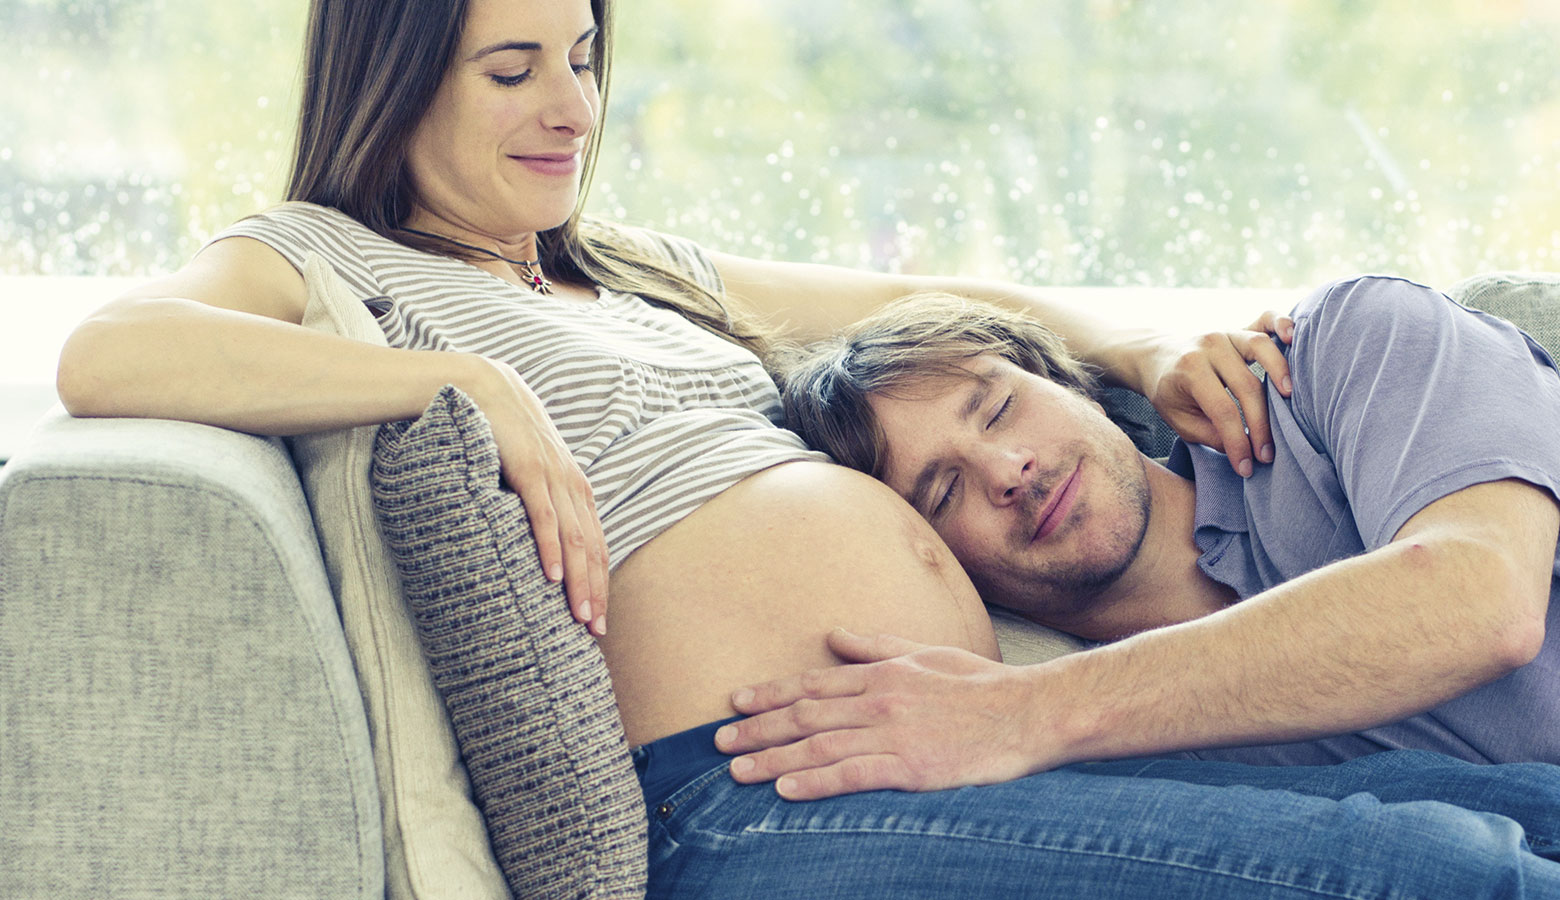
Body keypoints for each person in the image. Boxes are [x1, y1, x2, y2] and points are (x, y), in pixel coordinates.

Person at [53, 0, 1560, 895]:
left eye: (583, 55)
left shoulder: (631, 268)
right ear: (393, 76)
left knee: (1514, 820)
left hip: (937, 760)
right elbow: (108, 354)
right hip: (753, 792)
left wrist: (1142, 351)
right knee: (1423, 874)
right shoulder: (317, 254)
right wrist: (459, 382)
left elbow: (963, 307)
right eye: (510, 69)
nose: (569, 107)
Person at [733, 280, 1560, 801]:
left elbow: (1480, 599)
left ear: (1071, 385)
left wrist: (1026, 715)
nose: (1008, 468)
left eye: (998, 408)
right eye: (945, 491)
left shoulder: (1338, 351)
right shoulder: (1104, 770)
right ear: (936, 558)